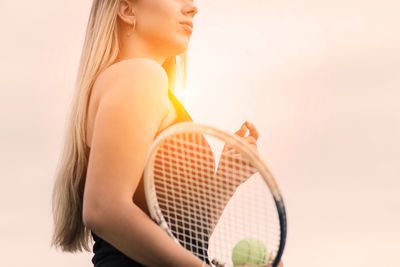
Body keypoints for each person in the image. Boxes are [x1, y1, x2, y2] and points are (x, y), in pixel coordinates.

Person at [51, 0, 282, 266]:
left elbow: (182, 234)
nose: (192, 8)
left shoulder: (138, 83)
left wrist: (224, 183)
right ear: (127, 10)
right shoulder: (140, 75)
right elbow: (103, 209)